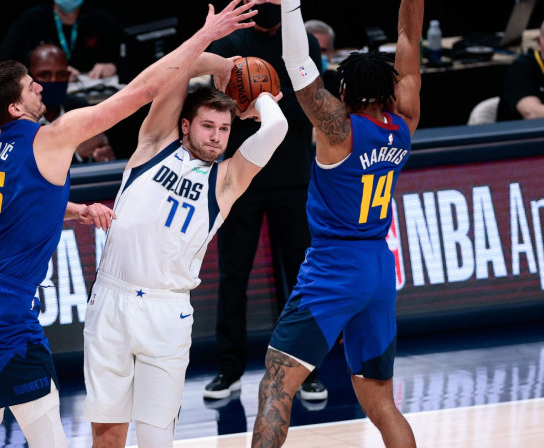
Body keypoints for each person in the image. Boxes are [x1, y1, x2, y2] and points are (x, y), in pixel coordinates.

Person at [0, 3, 259, 447]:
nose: (41, 88)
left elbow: (10, 203)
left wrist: (73, 210)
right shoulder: (51, 137)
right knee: (47, 425)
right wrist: (207, 38)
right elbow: (142, 90)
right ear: (15, 106)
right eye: (31, 87)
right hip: (2, 305)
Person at [82, 42, 288, 446]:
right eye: (208, 126)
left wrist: (260, 99)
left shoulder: (227, 181)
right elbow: (183, 65)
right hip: (112, 301)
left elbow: (277, 129)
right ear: (185, 126)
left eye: (225, 129)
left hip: (168, 310)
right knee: (107, 438)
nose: (216, 137)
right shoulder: (153, 146)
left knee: (158, 439)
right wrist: (227, 68)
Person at [251, 0, 423, 446]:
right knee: (381, 401)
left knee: (276, 385)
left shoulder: (337, 130)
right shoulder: (404, 122)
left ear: (343, 90)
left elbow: (295, 62)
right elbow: (408, 40)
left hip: (334, 265)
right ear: (388, 88)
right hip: (380, 266)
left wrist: (288, 4)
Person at [203, 0, 328, 403]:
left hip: (293, 176)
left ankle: (305, 370)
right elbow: (217, 104)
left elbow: (312, 106)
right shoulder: (230, 40)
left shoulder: (304, 39)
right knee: (232, 275)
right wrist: (261, 102)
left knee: (298, 276)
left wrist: (262, 100)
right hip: (241, 178)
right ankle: (229, 369)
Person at [0, 0, 123, 80]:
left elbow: (130, 53)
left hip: (85, 97)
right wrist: (50, 73)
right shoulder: (32, 20)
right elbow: (5, 62)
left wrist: (114, 66)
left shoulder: (100, 19)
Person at [28, 42, 115, 162]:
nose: (54, 81)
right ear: (29, 77)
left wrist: (104, 156)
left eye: (61, 75)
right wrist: (75, 156)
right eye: (45, 75)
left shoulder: (81, 110)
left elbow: (100, 155)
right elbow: (22, 168)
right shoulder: (14, 118)